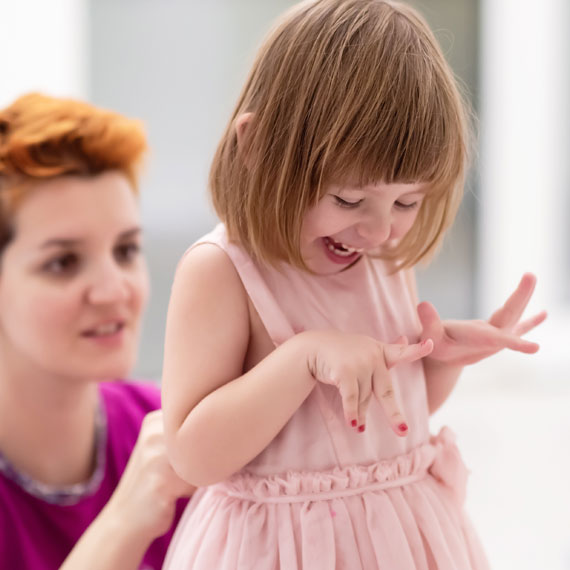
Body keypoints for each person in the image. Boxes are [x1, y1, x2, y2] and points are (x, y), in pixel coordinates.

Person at [161, 1, 546, 568]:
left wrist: (437, 362)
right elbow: (193, 457)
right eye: (348, 199)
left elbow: (386, 425)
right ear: (259, 146)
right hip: (281, 548)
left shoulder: (381, 256)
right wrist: (303, 359)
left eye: (407, 201)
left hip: (406, 537)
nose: (380, 227)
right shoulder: (221, 272)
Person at [0, 93, 193, 570]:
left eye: (126, 251)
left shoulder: (175, 430)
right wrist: (124, 523)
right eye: (63, 262)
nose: (113, 291)